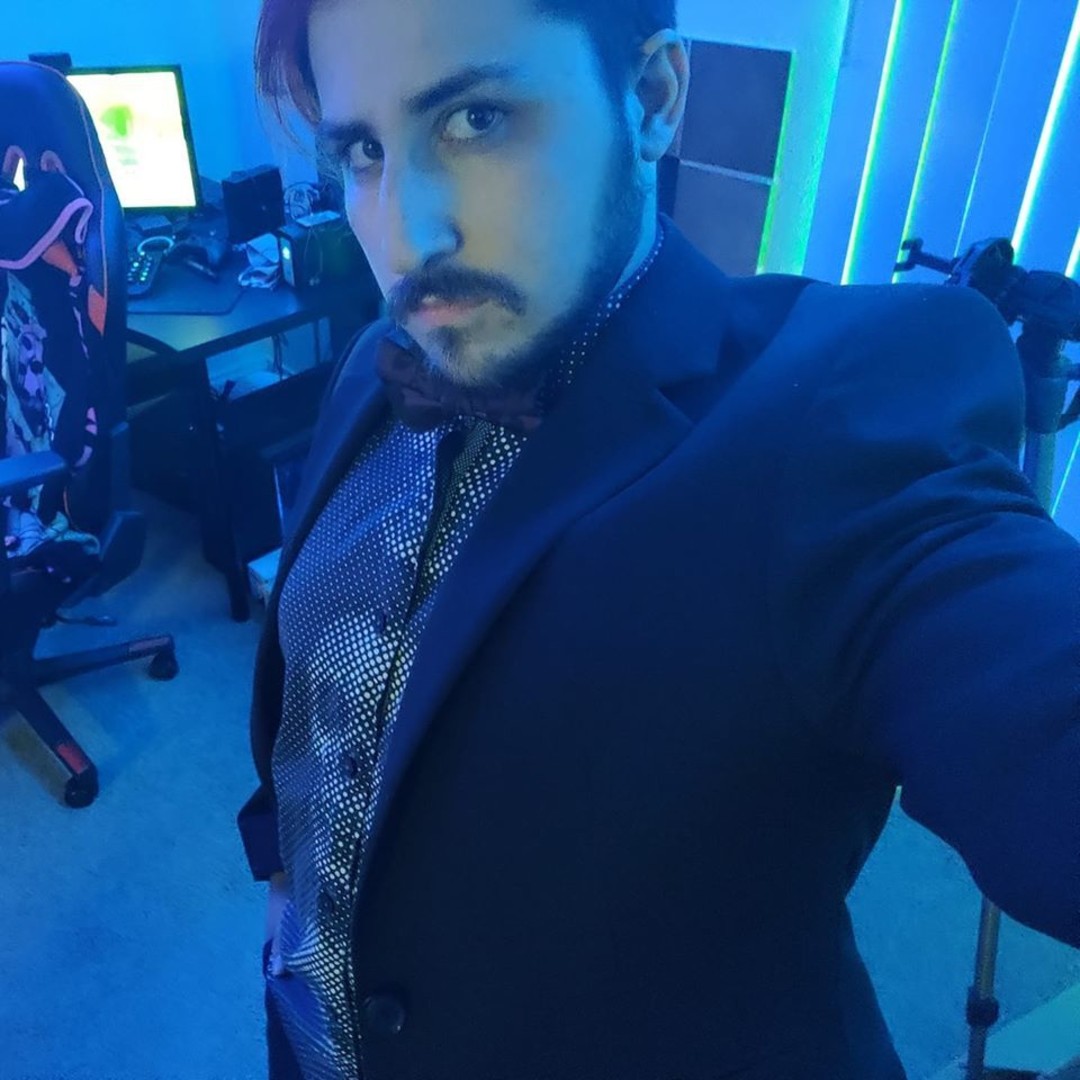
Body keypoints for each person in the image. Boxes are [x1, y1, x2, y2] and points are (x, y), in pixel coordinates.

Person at [236, 0, 1080, 1076]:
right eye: (363, 152)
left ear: (651, 98)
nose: (406, 238)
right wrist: (287, 878)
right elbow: (313, 706)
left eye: (476, 119)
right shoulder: (377, 362)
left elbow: (1009, 659)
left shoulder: (834, 420)